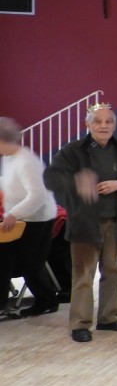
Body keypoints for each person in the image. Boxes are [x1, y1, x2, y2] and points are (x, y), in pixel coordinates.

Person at [43, 104, 117, 341]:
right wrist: (77, 181)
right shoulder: (73, 150)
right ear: (87, 125)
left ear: (114, 125)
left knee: (112, 271)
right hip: (84, 224)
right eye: (97, 121)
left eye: (108, 121)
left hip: (115, 222)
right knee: (83, 275)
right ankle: (80, 324)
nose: (103, 126)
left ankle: (109, 318)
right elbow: (51, 178)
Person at [0, 117, 60, 318]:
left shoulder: (26, 160)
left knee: (30, 263)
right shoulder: (8, 158)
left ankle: (47, 301)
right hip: (20, 219)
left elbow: (37, 195)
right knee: (4, 260)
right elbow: (9, 183)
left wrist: (13, 214)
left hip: (37, 220)